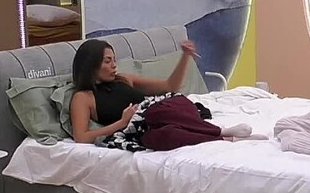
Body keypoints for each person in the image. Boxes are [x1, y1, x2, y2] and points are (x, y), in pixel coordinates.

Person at [69, 39, 251, 149]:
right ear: (91, 65)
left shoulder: (124, 79)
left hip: (161, 109)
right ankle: (222, 137)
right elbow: (81, 137)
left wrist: (185, 57)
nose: (114, 65)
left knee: (167, 107)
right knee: (162, 137)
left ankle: (220, 131)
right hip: (142, 127)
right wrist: (121, 123)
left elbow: (170, 86)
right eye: (108, 61)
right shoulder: (83, 98)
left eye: (114, 60)